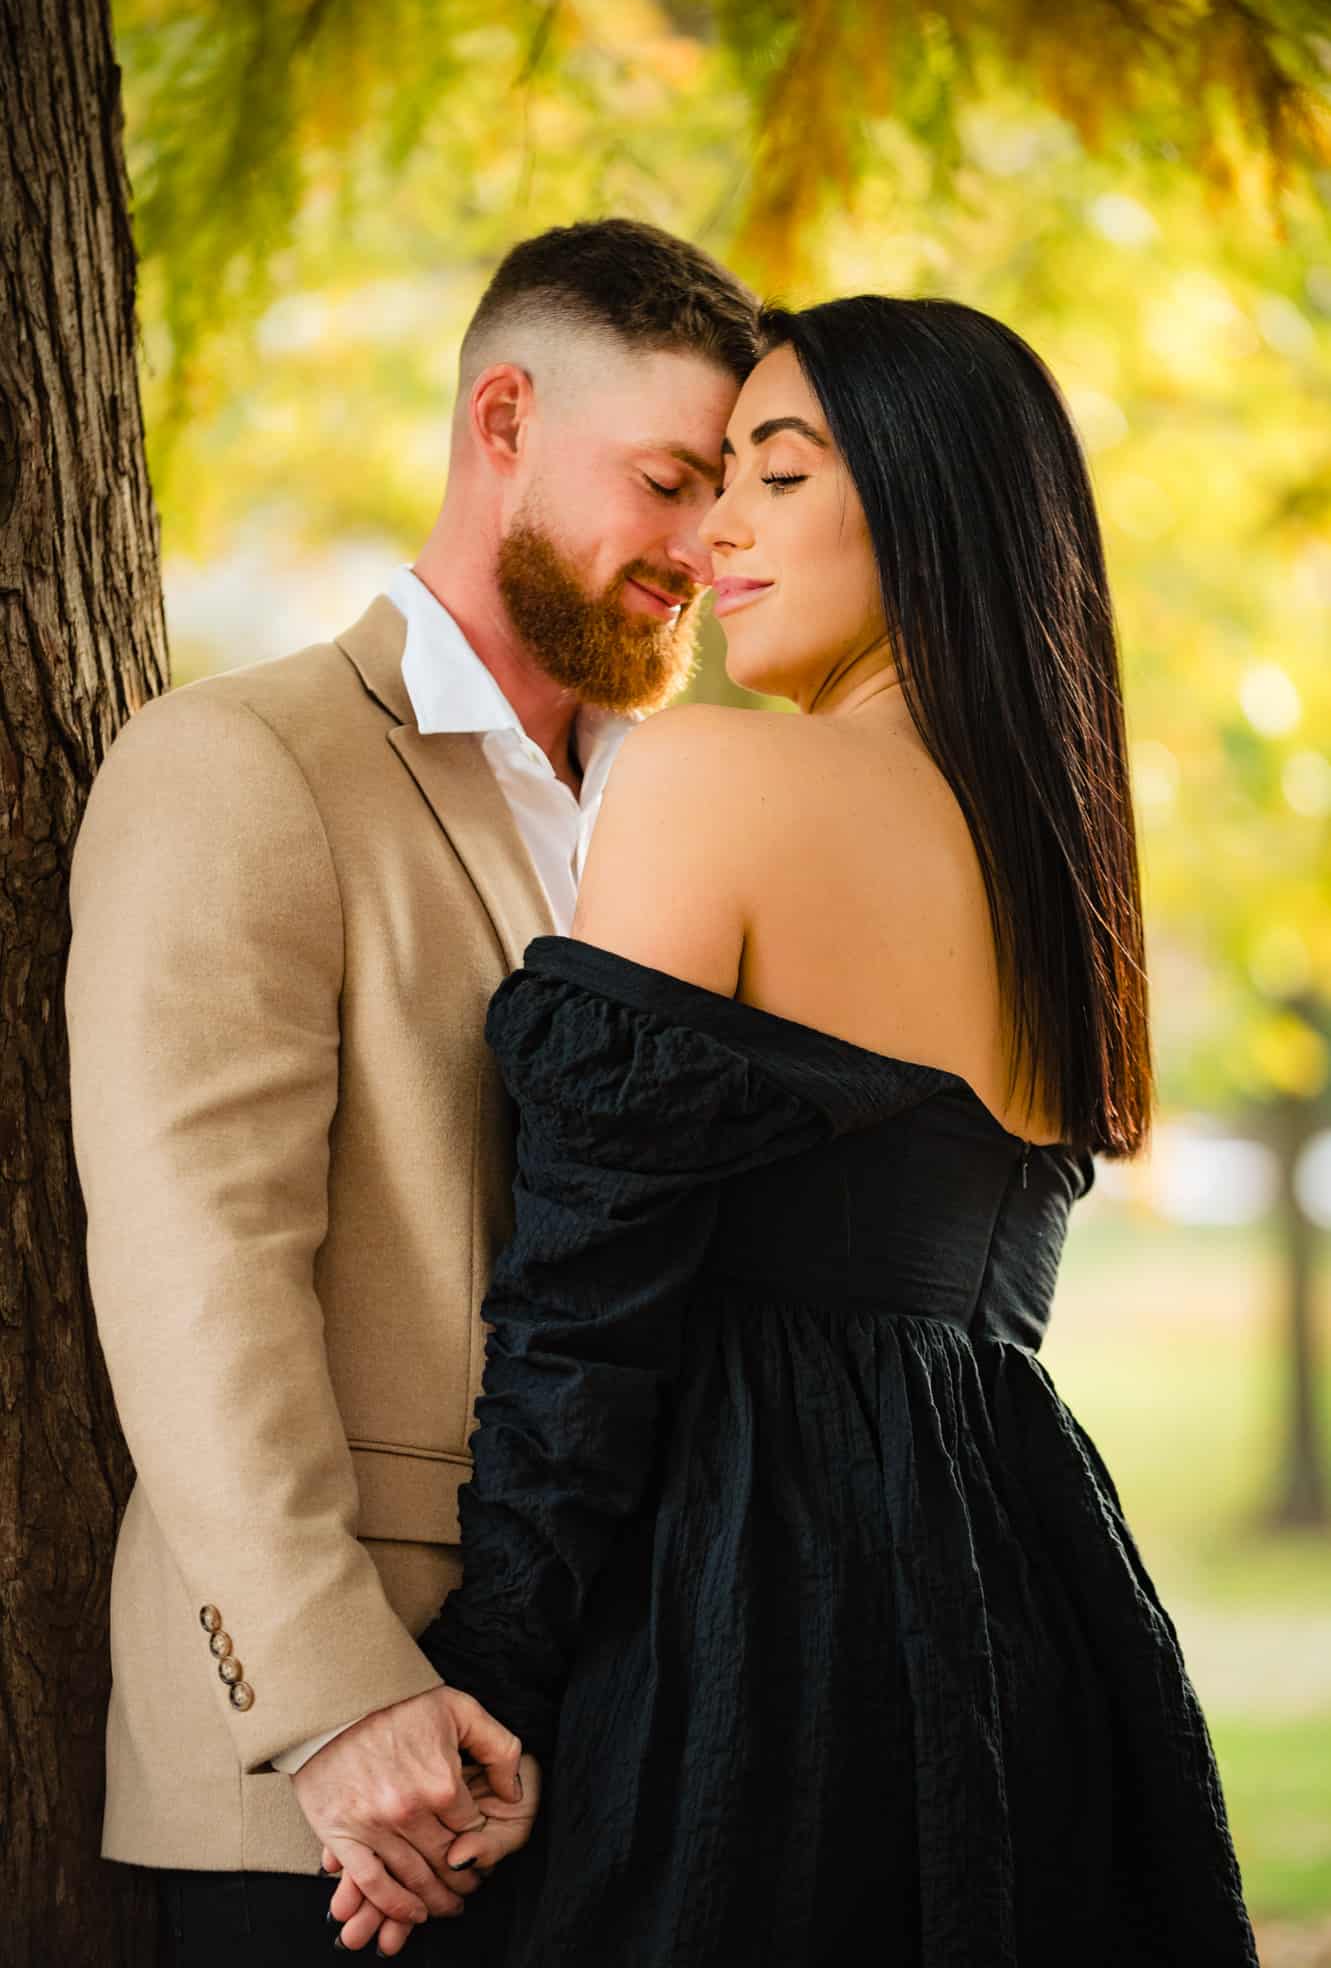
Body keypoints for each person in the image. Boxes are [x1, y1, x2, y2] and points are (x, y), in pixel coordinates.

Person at [328, 296, 1259, 1965]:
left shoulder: (714, 782)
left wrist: (495, 1688)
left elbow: (583, 1307)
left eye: (778, 473)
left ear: (918, 499)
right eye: (707, 481)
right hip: (1023, 1605)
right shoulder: (1060, 878)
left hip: (751, 1609)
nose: (717, 531)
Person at [64, 217, 759, 1968]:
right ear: (503, 420)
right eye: (668, 480)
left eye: (729, 497)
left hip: (622, 1753)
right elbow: (190, 1269)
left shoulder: (685, 811)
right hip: (324, 1796)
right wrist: (334, 1703)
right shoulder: (242, 765)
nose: (702, 549)